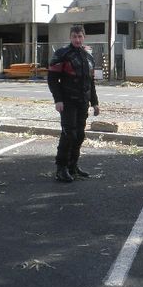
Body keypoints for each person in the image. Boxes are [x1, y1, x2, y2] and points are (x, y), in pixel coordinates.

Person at [47, 24, 100, 183]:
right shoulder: (62, 54)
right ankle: (61, 168)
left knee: (79, 135)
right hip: (67, 101)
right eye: (74, 36)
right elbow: (52, 79)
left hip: (83, 102)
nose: (77, 39)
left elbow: (91, 82)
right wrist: (58, 100)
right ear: (70, 37)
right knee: (69, 134)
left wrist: (95, 103)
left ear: (84, 37)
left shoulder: (88, 56)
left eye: (80, 36)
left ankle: (72, 166)